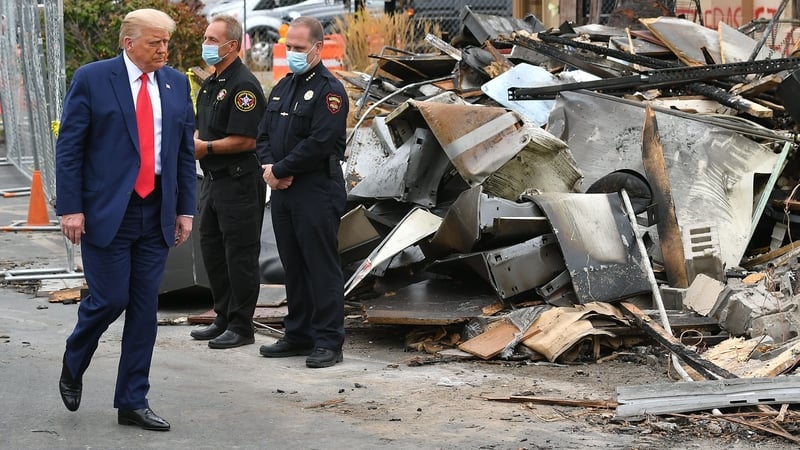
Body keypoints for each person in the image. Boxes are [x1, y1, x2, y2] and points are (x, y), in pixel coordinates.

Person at [55, 9, 196, 431]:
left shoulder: (175, 84)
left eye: (166, 42)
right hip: (107, 210)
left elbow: (183, 153)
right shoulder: (93, 79)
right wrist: (71, 207)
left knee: (144, 310)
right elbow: (70, 148)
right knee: (110, 299)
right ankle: (75, 357)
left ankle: (133, 400)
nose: (163, 50)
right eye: (155, 42)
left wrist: (185, 210)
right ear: (129, 43)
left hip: (157, 210)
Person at [256, 16, 348, 368]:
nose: (292, 52)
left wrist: (280, 170)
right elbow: (263, 135)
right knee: (293, 266)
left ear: (317, 48)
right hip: (283, 190)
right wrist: (270, 170)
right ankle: (298, 334)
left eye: (298, 47)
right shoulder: (283, 87)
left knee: (320, 267)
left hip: (316, 189)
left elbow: (320, 142)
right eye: (288, 46)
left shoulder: (329, 91)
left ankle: (328, 341)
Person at [189, 15, 267, 349]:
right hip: (213, 180)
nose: (206, 45)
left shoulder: (243, 86)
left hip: (239, 182)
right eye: (206, 38)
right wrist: (197, 140)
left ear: (232, 45)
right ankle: (222, 315)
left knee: (240, 256)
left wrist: (204, 148)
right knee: (213, 250)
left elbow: (247, 139)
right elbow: (202, 125)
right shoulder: (212, 82)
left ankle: (241, 325)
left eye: (212, 39)